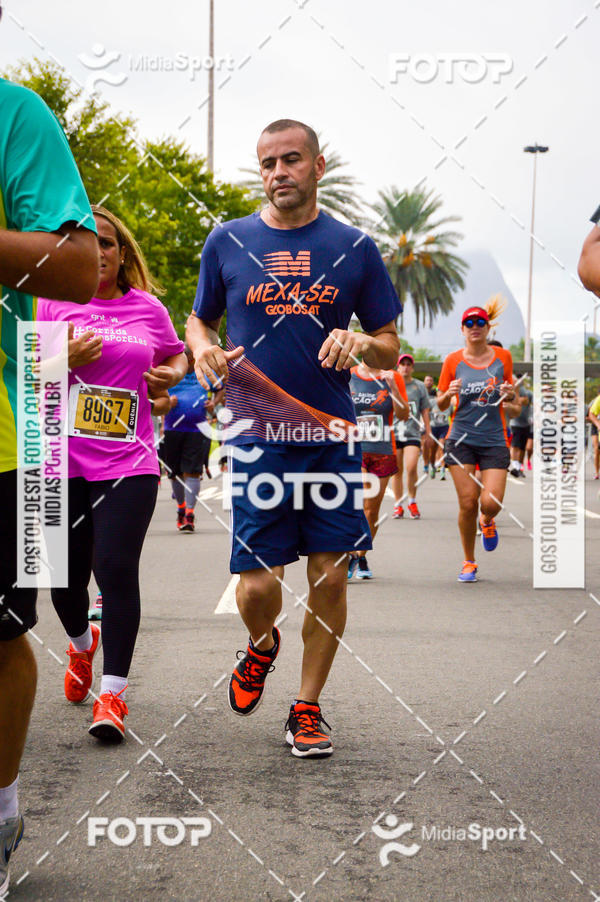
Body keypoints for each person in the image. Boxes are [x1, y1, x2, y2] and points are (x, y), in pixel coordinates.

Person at [187, 119, 400, 757]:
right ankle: (260, 645)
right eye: (267, 163)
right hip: (255, 434)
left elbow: (390, 346)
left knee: (331, 579)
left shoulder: (355, 246)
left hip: (332, 436)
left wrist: (361, 341)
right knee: (256, 585)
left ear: (318, 166)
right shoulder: (227, 241)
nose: (278, 172)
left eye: (291, 160)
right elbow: (200, 320)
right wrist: (202, 350)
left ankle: (307, 708)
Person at [0, 59, 99, 894]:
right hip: (48, 445)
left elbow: (75, 267)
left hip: (15, 438)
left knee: (1, 633)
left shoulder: (13, 113)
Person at [37, 205, 186, 742]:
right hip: (56, 461)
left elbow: (176, 356)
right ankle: (80, 647)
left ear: (122, 254)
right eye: (85, 241)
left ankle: (113, 695)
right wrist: (62, 359)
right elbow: (24, 379)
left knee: (116, 569)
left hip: (129, 462)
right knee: (62, 581)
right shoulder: (46, 302)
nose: (97, 251)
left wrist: (170, 376)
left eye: (106, 242)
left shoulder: (147, 308)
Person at [437, 302, 519, 582]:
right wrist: (448, 393)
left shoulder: (503, 357)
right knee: (468, 502)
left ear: (488, 328)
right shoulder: (452, 361)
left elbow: (514, 402)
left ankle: (488, 520)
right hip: (460, 438)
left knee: (491, 502)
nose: (475, 328)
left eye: (480, 323)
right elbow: (440, 403)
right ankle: (469, 561)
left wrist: (509, 395)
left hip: (494, 438)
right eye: (469, 324)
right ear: (462, 329)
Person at [348, 363, 408, 579]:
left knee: (371, 510)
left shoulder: (391, 376)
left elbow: (403, 414)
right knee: (360, 502)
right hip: (354, 448)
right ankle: (351, 552)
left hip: (382, 449)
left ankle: (359, 554)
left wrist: (392, 387)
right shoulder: (350, 373)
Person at [162, 346, 222, 531]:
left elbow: (221, 387)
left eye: (190, 360)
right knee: (175, 473)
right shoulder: (170, 372)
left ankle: (189, 513)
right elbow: (154, 390)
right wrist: (166, 400)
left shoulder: (203, 372)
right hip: (172, 429)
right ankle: (181, 508)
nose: (189, 363)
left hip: (198, 430)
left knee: (193, 471)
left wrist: (214, 403)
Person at [390, 353, 431, 518]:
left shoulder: (419, 386)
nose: (405, 367)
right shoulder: (392, 383)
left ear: (412, 368)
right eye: (403, 364)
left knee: (412, 466)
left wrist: (428, 431)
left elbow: (425, 410)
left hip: (412, 433)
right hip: (394, 431)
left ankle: (412, 501)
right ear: (398, 367)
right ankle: (398, 504)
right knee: (397, 471)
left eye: (408, 364)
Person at [508, 376, 533, 478]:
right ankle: (514, 466)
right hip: (515, 423)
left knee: (522, 447)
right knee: (515, 445)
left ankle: (519, 467)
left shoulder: (527, 393)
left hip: (526, 423)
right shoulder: (511, 390)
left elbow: (526, 401)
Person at [427, 382, 450, 480]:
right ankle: (432, 466)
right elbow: (425, 413)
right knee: (432, 451)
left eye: (443, 392)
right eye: (439, 391)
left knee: (441, 447)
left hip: (444, 428)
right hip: (433, 428)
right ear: (436, 393)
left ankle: (442, 470)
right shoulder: (432, 402)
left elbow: (453, 414)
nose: (441, 393)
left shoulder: (449, 403)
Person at [588, 395, 600, 479]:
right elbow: (590, 414)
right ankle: (597, 472)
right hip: (595, 426)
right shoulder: (596, 400)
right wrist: (598, 424)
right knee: (596, 449)